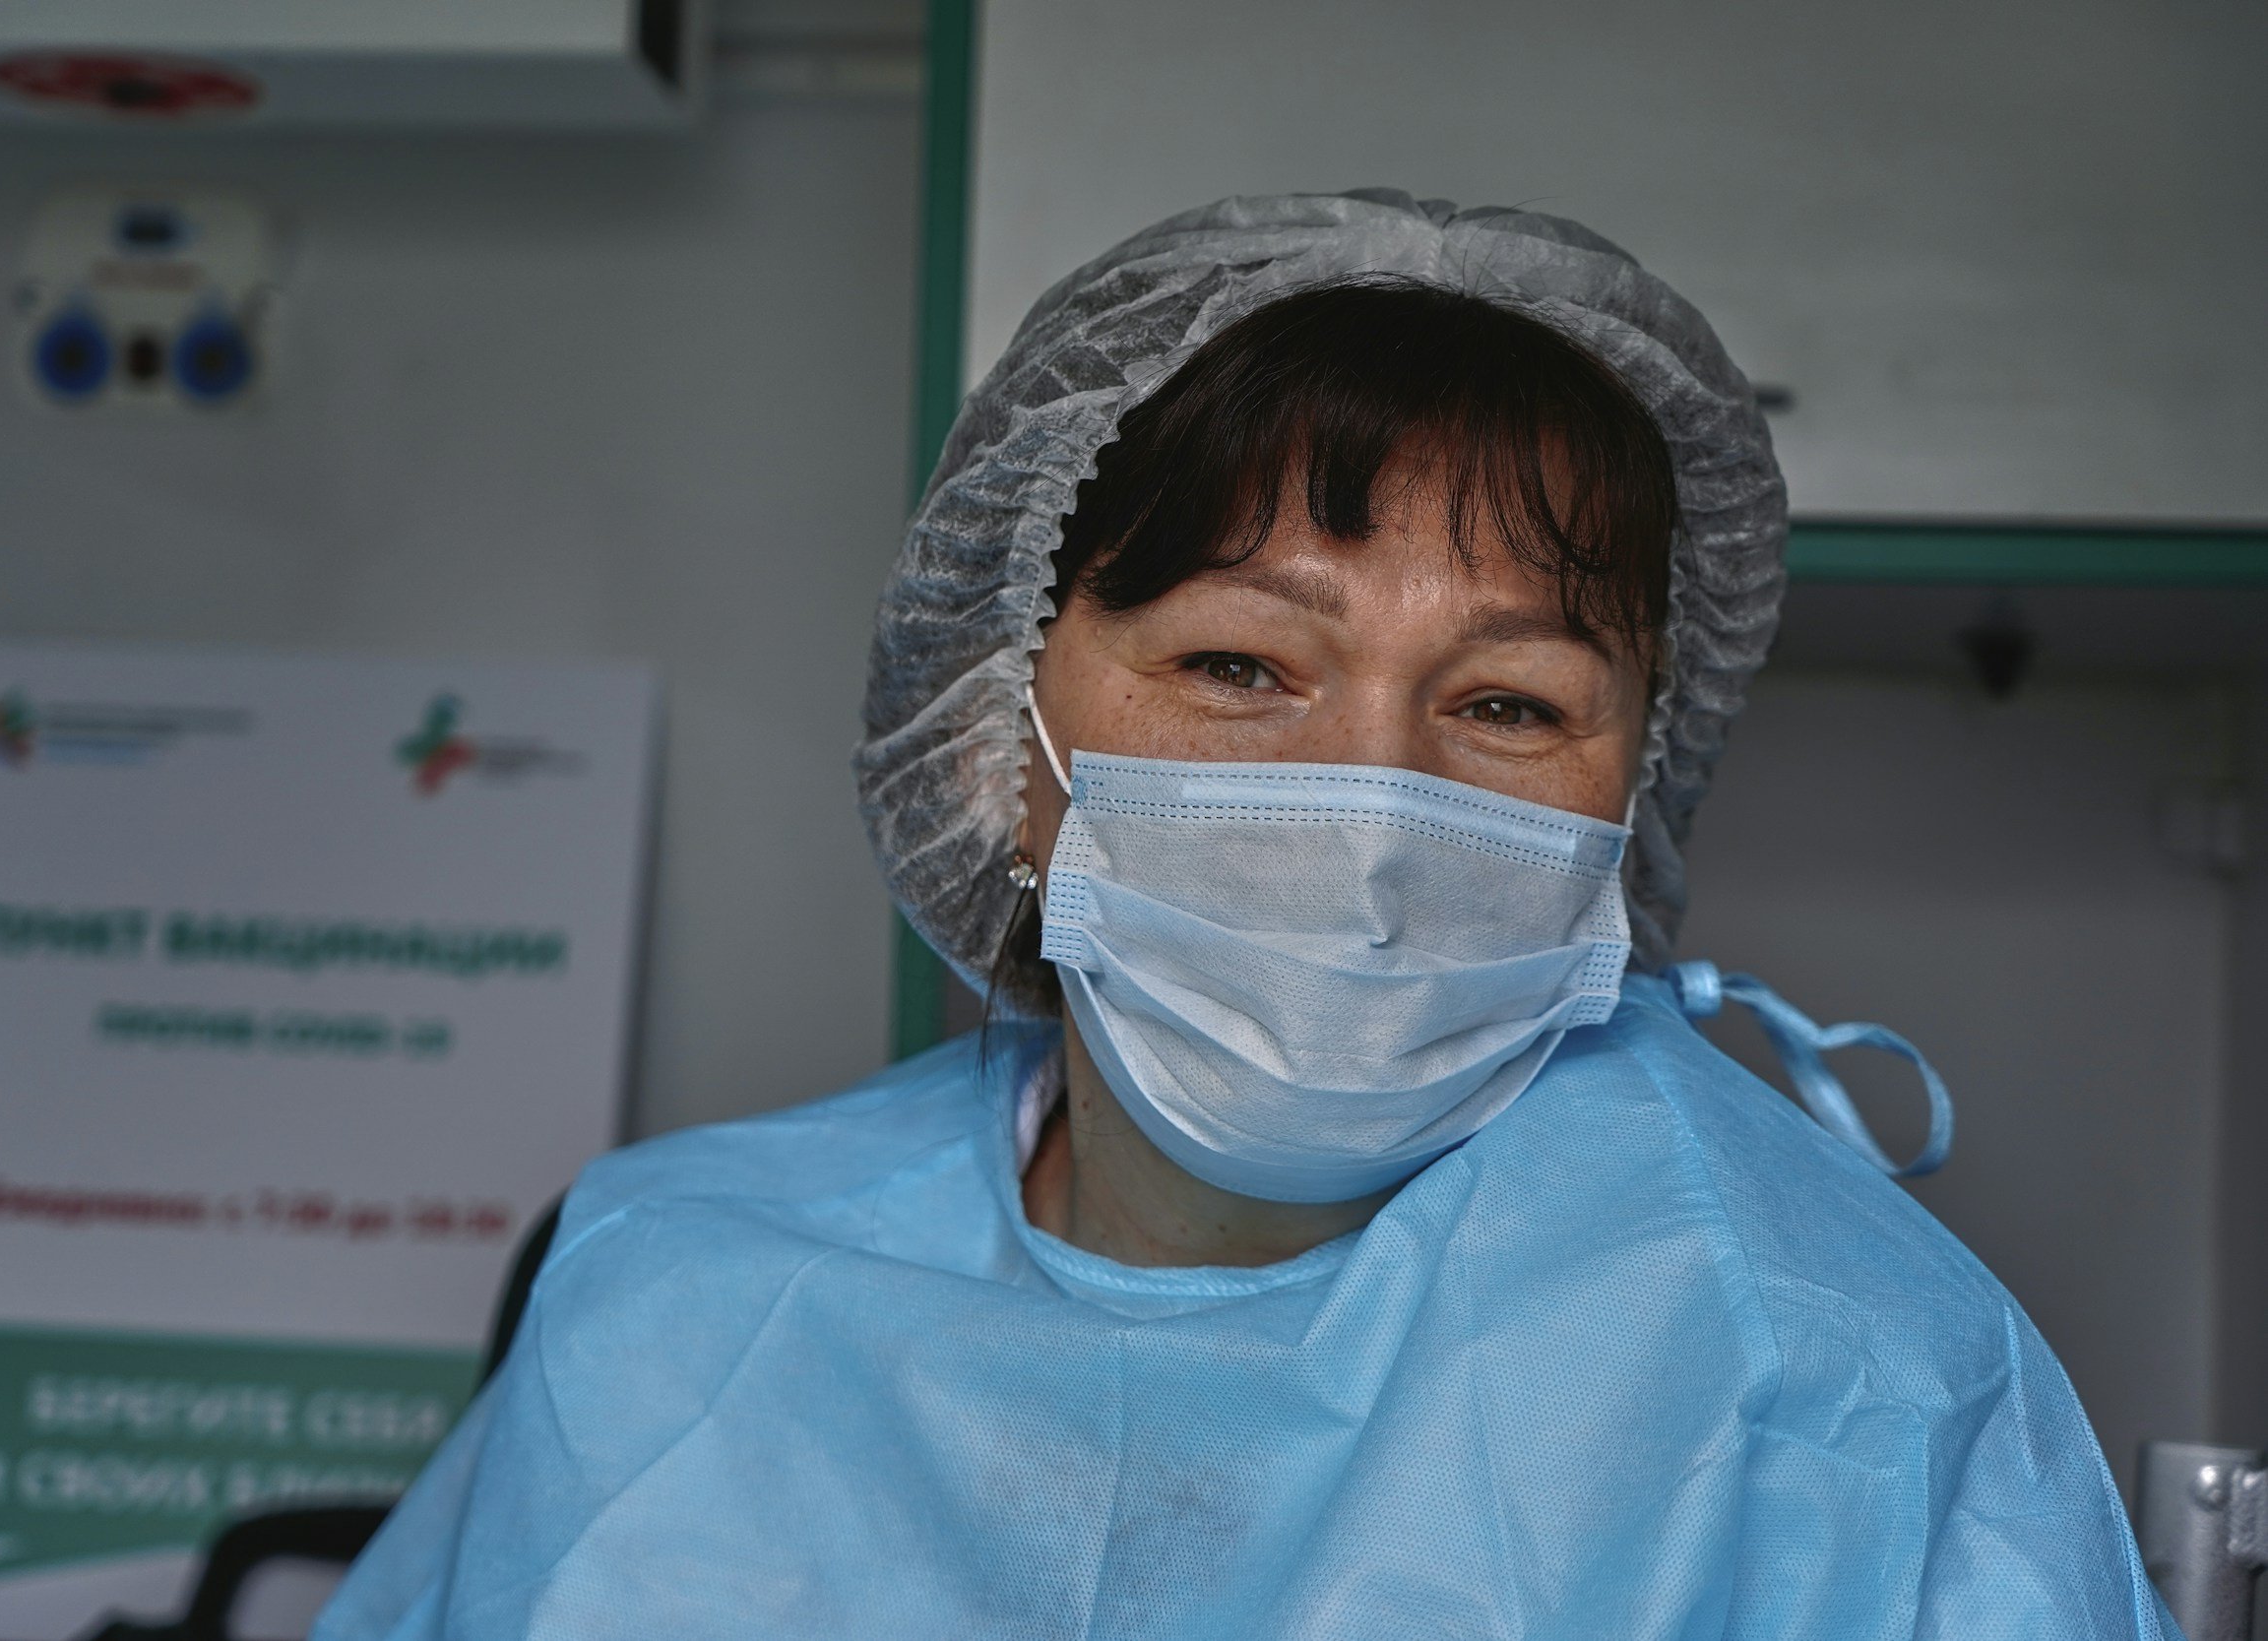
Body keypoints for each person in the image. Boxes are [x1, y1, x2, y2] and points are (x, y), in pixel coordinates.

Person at [315, 193, 2173, 1638]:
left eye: (1509, 703)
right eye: (1237, 664)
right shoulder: (682, 1297)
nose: (1374, 807)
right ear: (999, 738)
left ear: (1631, 787)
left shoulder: (1830, 1369)